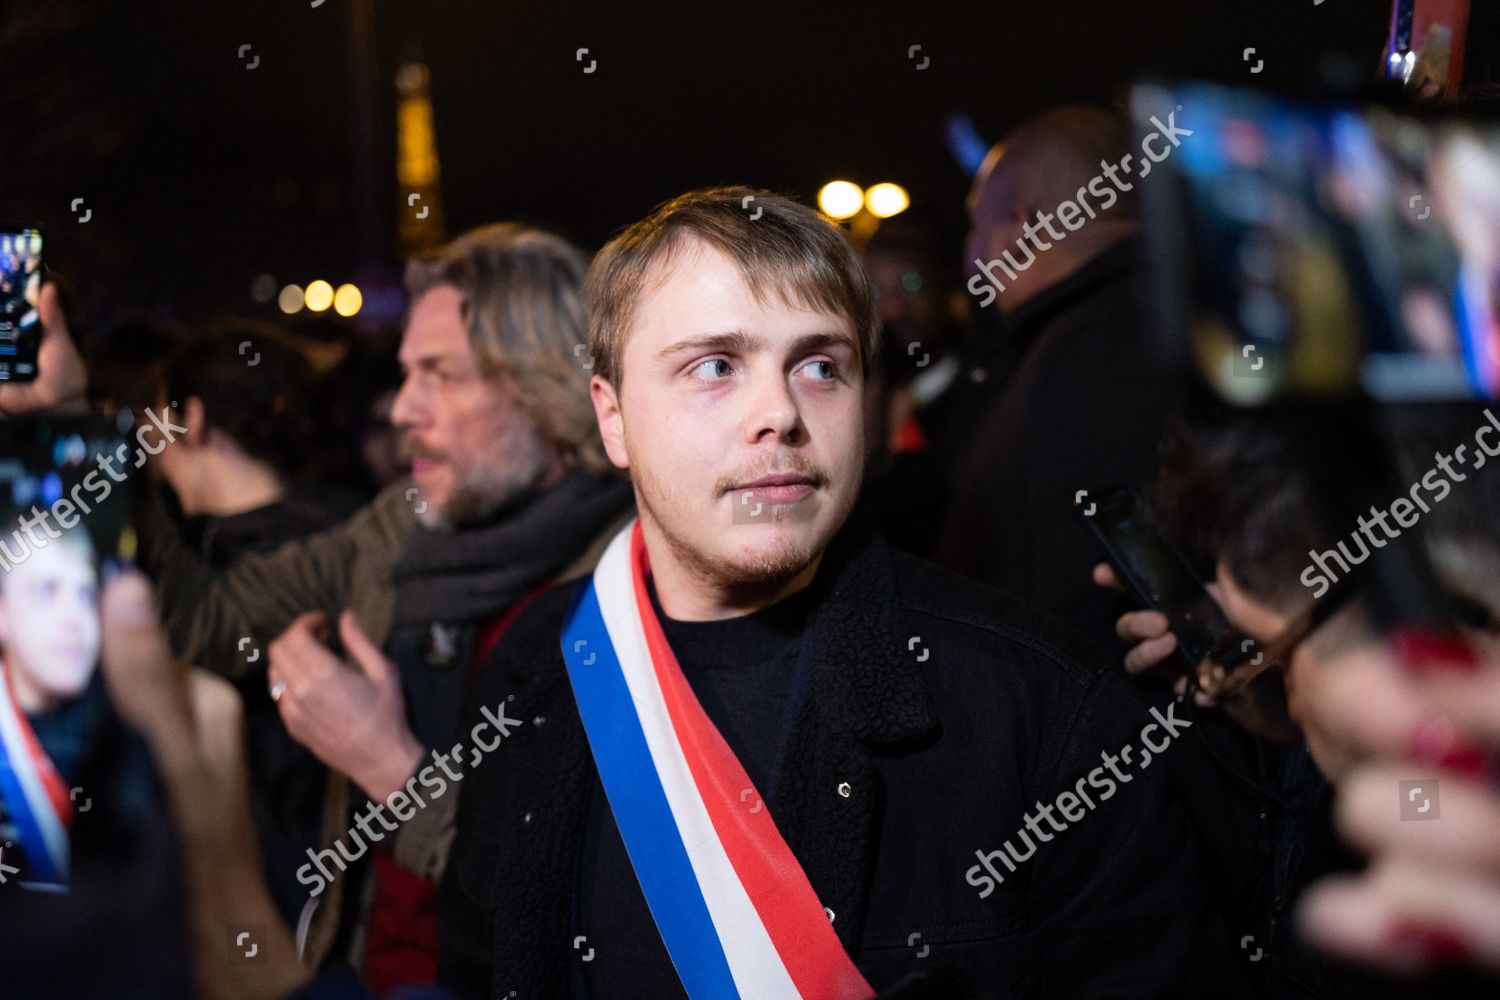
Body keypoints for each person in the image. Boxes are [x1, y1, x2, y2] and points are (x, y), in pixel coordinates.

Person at [439, 186, 1243, 999]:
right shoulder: (538, 667)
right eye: (714, 366)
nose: (780, 413)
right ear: (611, 419)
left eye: (821, 366)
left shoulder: (1037, 704)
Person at [6, 225, 636, 990]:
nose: (403, 409)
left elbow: (596, 904)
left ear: (547, 386)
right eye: (405, 374)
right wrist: (72, 421)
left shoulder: (632, 584)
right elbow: (206, 625)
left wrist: (393, 771)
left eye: (440, 374)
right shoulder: (403, 525)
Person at [935, 106, 1174, 655]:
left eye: (976, 224)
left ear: (1019, 226)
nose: (970, 255)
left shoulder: (1083, 357)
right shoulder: (1197, 321)